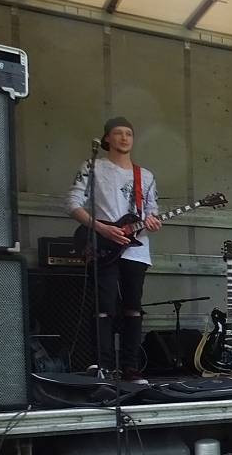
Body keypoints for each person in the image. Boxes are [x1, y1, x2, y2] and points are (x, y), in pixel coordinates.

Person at [66, 117, 162, 382]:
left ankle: (130, 366)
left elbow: (153, 211)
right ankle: (102, 364)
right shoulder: (92, 166)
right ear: (106, 138)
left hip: (136, 250)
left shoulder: (146, 176)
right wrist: (101, 228)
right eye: (118, 133)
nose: (124, 138)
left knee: (133, 307)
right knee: (104, 306)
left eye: (129, 134)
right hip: (102, 244)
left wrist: (153, 222)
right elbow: (73, 203)